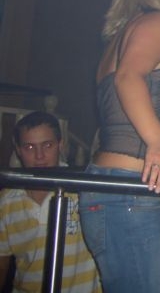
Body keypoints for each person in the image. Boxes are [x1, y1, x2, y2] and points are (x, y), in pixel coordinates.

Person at [79, 0, 160, 293]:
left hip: (114, 185)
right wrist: (159, 145)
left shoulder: (119, 37)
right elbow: (128, 78)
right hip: (128, 190)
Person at [0, 111, 101, 293]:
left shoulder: (83, 189)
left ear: (60, 145)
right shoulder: (6, 201)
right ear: (18, 150)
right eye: (29, 147)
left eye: (47, 145)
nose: (39, 156)